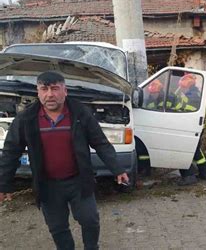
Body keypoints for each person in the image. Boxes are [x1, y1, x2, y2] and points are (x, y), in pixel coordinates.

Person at [0, 71, 128, 249]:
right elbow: (10, 152)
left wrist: (117, 169)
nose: (49, 94)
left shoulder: (79, 113)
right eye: (44, 89)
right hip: (48, 185)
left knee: (90, 220)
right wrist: (4, 184)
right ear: (38, 92)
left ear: (65, 90)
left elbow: (100, 142)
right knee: (58, 228)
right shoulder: (26, 119)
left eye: (55, 88)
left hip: (79, 181)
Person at [174, 73, 206, 186]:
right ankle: (204, 173)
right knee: (196, 152)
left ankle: (189, 176)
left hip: (190, 127)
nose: (181, 89)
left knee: (183, 150)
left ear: (187, 86)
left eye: (183, 87)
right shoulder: (192, 93)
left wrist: (176, 109)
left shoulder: (192, 96)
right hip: (193, 127)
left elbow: (185, 111)